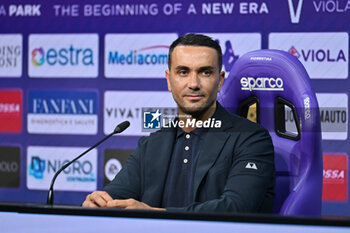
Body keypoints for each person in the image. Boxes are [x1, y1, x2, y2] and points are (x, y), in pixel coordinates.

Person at [83, 34, 275, 213]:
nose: (193, 83)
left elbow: (235, 207)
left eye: (205, 72)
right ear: (169, 80)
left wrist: (154, 215)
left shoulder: (251, 139)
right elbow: (117, 195)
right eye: (183, 72)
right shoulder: (152, 144)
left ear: (219, 81)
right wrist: (101, 202)